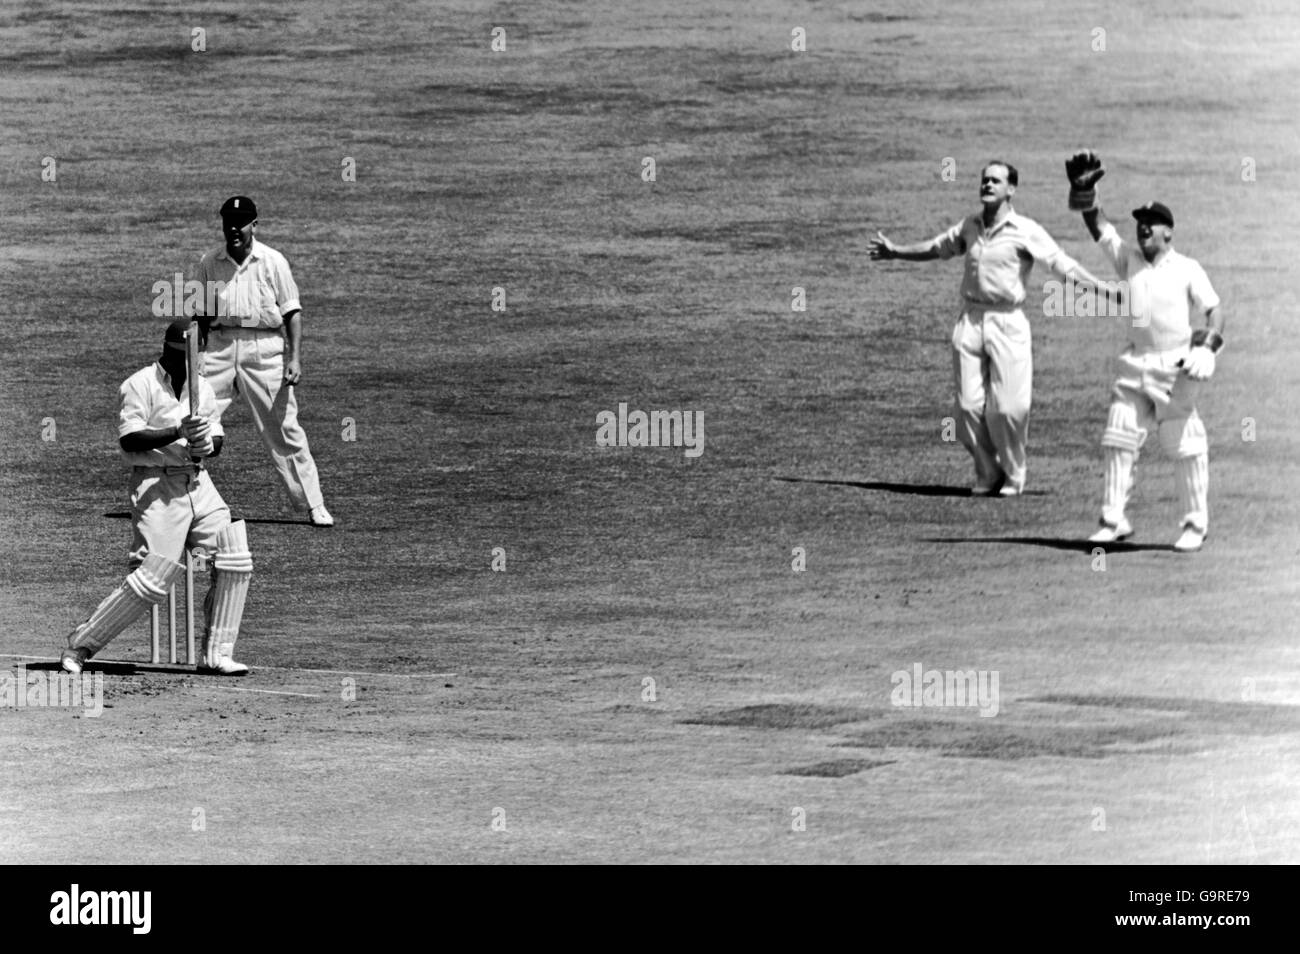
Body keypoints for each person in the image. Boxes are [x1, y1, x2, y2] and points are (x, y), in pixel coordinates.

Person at [868, 161, 1114, 495]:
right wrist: (896, 252)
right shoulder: (970, 226)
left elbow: (1062, 266)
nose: (988, 185)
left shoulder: (1024, 229)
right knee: (967, 408)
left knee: (1008, 408)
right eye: (985, 180)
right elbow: (938, 247)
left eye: (996, 181)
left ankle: (1014, 473)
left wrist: (1105, 290)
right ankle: (988, 473)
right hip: (969, 319)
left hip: (1007, 322)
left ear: (1011, 189)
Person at [61, 319, 254, 676]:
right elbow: (129, 439)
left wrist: (206, 444)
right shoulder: (140, 384)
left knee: (234, 557)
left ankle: (216, 654)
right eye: (185, 356)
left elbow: (217, 440)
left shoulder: (203, 387)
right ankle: (80, 644)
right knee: (151, 580)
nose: (190, 364)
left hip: (199, 483)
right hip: (156, 487)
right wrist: (176, 431)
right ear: (169, 351)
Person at [1066, 151, 1225, 552]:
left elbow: (1215, 311)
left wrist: (1207, 347)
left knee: (1184, 444)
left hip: (1176, 367)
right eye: (1139, 224)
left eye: (1149, 225)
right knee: (1119, 437)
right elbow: (1097, 226)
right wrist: (1085, 192)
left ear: (1168, 233)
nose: (1141, 229)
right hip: (1135, 362)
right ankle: (1113, 519)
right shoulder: (1129, 261)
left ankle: (1194, 525)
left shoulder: (1188, 267)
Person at [191, 195, 334, 527]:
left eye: (240, 223)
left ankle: (314, 504)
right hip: (220, 345)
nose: (233, 229)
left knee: (284, 429)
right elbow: (200, 315)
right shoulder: (210, 262)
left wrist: (294, 358)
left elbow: (292, 313)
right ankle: (182, 497)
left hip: (264, 349)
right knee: (193, 415)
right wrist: (197, 358)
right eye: (228, 223)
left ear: (254, 225)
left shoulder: (273, 261)